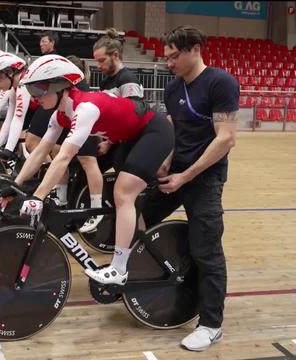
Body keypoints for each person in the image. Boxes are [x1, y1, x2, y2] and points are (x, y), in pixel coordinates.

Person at [4, 54, 173, 290]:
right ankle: (140, 242)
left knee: (123, 193)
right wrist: (17, 182)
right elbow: (41, 150)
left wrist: (38, 197)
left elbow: (63, 157)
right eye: (32, 91)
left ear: (60, 87)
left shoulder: (85, 108)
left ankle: (119, 269)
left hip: (153, 131)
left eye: (39, 91)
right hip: (127, 137)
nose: (35, 98)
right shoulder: (60, 114)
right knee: (123, 195)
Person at [142, 25, 239, 352]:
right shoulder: (172, 89)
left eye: (173, 57)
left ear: (194, 49)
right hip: (177, 174)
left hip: (205, 179)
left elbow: (226, 138)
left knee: (206, 250)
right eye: (166, 57)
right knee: (138, 216)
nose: (167, 63)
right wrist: (167, 161)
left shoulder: (219, 83)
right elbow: (178, 133)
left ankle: (211, 325)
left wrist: (187, 175)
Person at [74, 28, 148, 233]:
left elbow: (132, 116)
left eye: (102, 60)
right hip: (112, 141)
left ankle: (138, 233)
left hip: (128, 142)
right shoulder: (107, 80)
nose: (99, 66)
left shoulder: (128, 79)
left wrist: (110, 141)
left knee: (126, 192)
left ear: (115, 56)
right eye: (96, 61)